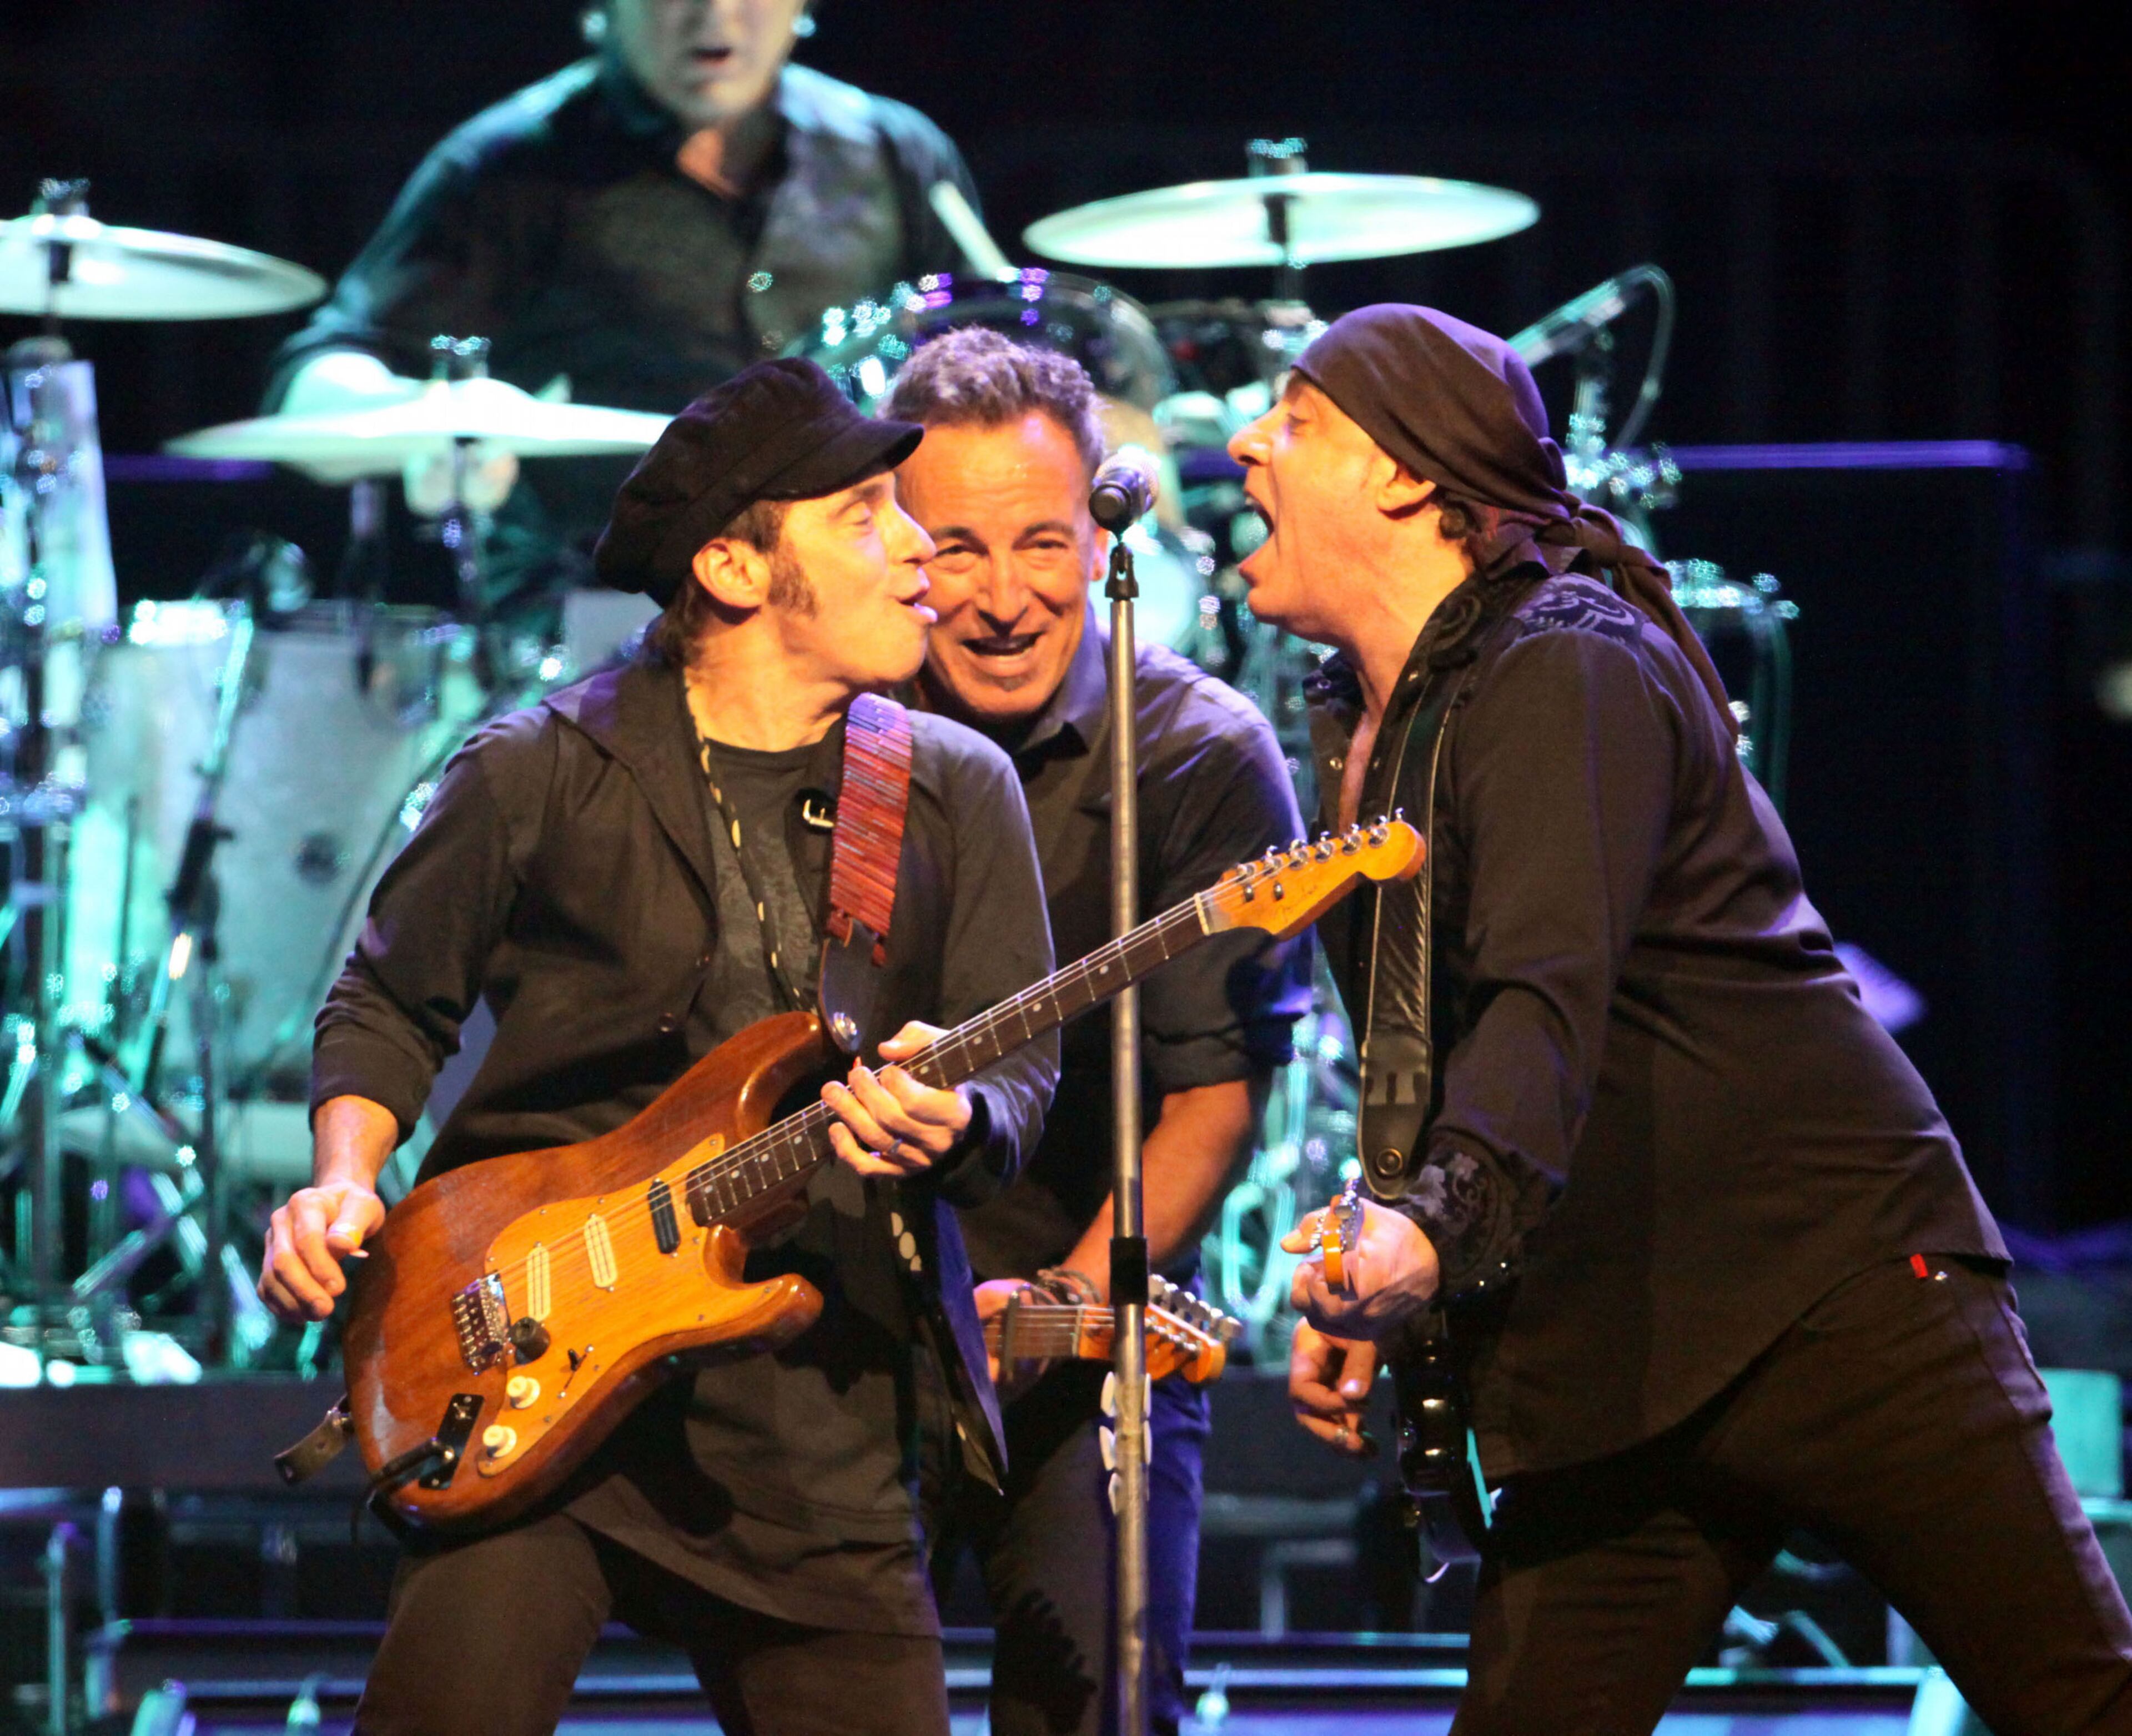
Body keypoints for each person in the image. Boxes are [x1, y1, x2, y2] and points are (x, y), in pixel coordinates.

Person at [1235, 305, 2132, 1735]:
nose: (1241, 444)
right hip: (1623, 1345)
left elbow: (1544, 994)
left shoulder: (1564, 663)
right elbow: (1442, 1042)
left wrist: (1426, 1227)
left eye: (1291, 424)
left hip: (1830, 1296)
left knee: (2076, 1701)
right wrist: (1389, 1237)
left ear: (1404, 475)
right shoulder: (1382, 722)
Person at [256, 358, 1058, 1736]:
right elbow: (386, 1002)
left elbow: (1020, 1075)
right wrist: (342, 1180)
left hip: (818, 1409)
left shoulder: (951, 785)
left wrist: (962, 1123)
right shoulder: (536, 768)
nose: (921, 544)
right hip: (531, 1366)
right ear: (736, 567)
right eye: (867, 515)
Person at [885, 326, 1311, 1735]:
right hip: (837, 1326)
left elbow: (1211, 1095)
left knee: (1101, 1703)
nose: (1005, 598)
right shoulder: (842, 720)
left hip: (1070, 1319)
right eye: (957, 549)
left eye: (1043, 545)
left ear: (1102, 537)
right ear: (893, 544)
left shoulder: (1197, 750)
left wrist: (1060, 1307)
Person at [267, 0, 984, 615]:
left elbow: (993, 368)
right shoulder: (507, 167)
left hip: (856, 607)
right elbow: (319, 380)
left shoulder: (898, 154)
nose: (716, 14)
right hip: (602, 632)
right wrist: (426, 423)